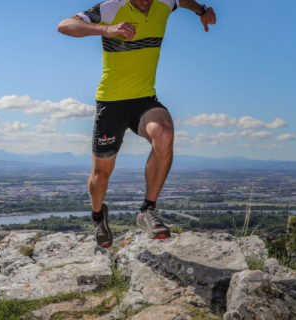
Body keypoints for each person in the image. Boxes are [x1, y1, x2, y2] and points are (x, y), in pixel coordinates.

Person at [57, 0, 216, 247]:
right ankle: (99, 218)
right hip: (111, 102)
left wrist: (202, 11)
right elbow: (65, 25)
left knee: (163, 134)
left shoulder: (165, 3)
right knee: (101, 175)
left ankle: (147, 211)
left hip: (144, 100)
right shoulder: (110, 8)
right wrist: (106, 29)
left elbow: (182, 1)